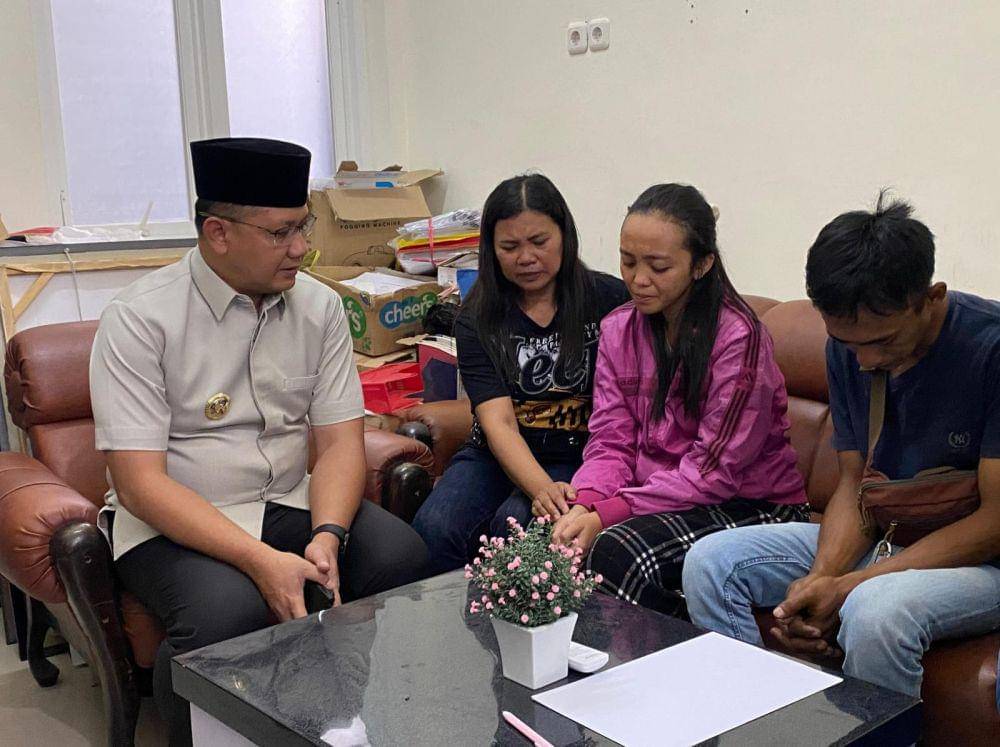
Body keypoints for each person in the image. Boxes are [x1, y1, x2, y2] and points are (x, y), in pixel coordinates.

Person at [90, 137, 427, 743]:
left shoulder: (319, 307)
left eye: (303, 227)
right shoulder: (139, 319)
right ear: (218, 233)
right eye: (280, 234)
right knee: (228, 612)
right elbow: (138, 483)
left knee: (399, 557)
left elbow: (341, 443)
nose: (300, 248)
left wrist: (329, 532)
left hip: (289, 501)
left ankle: (343, 722)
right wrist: (259, 561)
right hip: (177, 522)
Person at [682, 194, 1000, 698]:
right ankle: (758, 721)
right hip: (890, 533)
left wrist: (847, 587)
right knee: (710, 565)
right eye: (848, 344)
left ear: (932, 297)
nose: (865, 361)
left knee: (875, 613)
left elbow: (994, 522)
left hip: (981, 561)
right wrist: (820, 581)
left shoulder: (990, 349)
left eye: (883, 342)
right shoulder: (848, 349)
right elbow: (855, 486)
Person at [548, 184, 808, 616]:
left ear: (702, 264)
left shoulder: (737, 339)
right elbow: (611, 439)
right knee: (551, 539)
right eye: (627, 261)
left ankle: (662, 670)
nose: (637, 279)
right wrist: (587, 503)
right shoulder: (618, 329)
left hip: (751, 505)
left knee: (618, 553)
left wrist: (613, 510)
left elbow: (713, 473)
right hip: (660, 496)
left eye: (659, 266)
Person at [412, 174, 630, 576]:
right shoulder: (478, 318)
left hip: (577, 453)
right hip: (496, 453)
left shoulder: (609, 300)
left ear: (564, 236)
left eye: (539, 242)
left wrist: (548, 492)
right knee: (435, 530)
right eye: (509, 247)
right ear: (491, 251)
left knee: (519, 528)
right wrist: (539, 487)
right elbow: (499, 423)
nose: (526, 258)